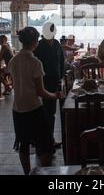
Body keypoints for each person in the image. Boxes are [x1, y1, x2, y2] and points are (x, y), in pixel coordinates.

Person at [9, 27, 63, 175]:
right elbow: (40, 91)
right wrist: (55, 95)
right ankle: (43, 172)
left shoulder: (13, 61)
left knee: (24, 145)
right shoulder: (35, 63)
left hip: (17, 108)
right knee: (46, 146)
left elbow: (14, 84)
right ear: (34, 42)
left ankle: (27, 173)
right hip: (33, 108)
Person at [33, 23, 65, 149]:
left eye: (53, 30)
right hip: (42, 81)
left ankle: (49, 139)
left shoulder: (57, 44)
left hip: (55, 82)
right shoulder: (39, 45)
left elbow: (61, 61)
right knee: (42, 113)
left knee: (51, 112)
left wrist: (61, 77)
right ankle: (40, 140)